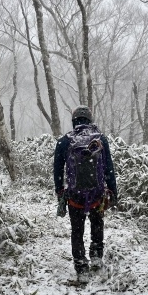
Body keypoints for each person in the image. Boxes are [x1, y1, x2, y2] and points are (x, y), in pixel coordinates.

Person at [53, 105, 118, 283]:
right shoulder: (100, 140)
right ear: (90, 120)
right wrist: (113, 191)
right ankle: (96, 259)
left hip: (75, 196)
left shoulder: (64, 141)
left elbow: (57, 169)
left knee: (77, 231)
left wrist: (60, 191)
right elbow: (109, 169)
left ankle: (81, 266)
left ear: (74, 121)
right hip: (97, 195)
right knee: (97, 226)